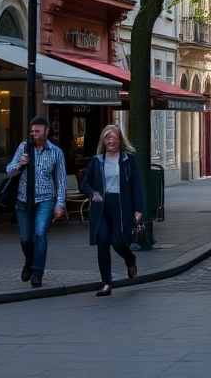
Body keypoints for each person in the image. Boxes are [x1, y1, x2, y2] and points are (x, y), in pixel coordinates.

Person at [81, 124, 144, 296]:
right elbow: (85, 183)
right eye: (108, 138)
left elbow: (136, 186)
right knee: (102, 242)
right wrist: (93, 193)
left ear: (120, 140)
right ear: (103, 140)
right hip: (101, 206)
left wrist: (138, 209)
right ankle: (106, 283)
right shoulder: (97, 160)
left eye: (114, 138)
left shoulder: (128, 159)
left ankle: (130, 259)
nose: (111, 141)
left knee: (118, 242)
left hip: (121, 205)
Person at [5, 116, 66, 288]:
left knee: (39, 233)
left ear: (46, 131)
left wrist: (60, 204)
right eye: (32, 131)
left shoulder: (56, 152)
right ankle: (29, 260)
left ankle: (37, 272)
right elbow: (8, 171)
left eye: (37, 131)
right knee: (25, 238)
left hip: (45, 199)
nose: (34, 135)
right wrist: (19, 164)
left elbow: (61, 180)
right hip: (23, 199)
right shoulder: (24, 148)